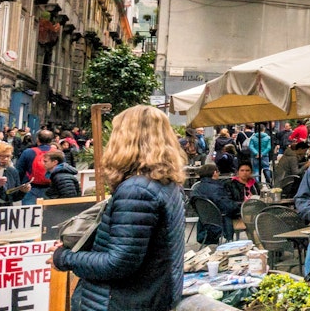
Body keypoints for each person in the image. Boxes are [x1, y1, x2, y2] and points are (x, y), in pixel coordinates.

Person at [53, 106, 187, 311]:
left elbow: (119, 263)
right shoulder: (165, 184)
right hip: (144, 298)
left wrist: (64, 258)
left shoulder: (136, 189)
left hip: (116, 301)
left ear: (125, 139)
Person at [15, 131, 58, 205]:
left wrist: (19, 187)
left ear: (37, 139)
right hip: (50, 188)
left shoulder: (28, 152)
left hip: (31, 187)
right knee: (48, 213)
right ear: (51, 140)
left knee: (30, 213)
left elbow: (19, 171)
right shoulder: (57, 153)